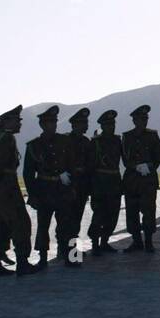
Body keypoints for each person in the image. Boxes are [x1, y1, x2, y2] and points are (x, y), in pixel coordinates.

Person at [0, 106, 37, 277]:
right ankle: (22, 263)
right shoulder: (7, 139)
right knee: (20, 222)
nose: (19, 123)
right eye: (17, 120)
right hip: (6, 187)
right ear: (7, 122)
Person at [23, 105, 79, 268]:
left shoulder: (65, 141)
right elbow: (28, 173)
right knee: (43, 226)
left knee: (68, 224)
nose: (53, 125)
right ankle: (42, 258)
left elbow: (72, 165)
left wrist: (72, 185)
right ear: (42, 125)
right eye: (49, 123)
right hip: (44, 189)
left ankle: (72, 256)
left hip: (62, 189)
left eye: (54, 122)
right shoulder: (34, 145)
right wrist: (32, 194)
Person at [121, 104, 160, 252]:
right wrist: (135, 166)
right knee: (132, 211)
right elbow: (125, 158)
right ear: (134, 121)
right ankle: (136, 240)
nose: (144, 122)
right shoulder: (127, 136)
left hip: (148, 179)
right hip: (132, 180)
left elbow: (158, 154)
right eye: (140, 119)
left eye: (145, 119)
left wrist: (150, 166)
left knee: (149, 210)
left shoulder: (153, 135)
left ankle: (149, 241)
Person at [88, 109, 124, 254]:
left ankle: (105, 241)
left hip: (114, 180)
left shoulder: (117, 140)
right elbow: (91, 164)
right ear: (102, 126)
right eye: (108, 125)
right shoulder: (96, 142)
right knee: (99, 213)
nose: (112, 127)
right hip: (100, 182)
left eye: (113, 124)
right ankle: (95, 243)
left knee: (113, 213)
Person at [64, 108, 94, 256]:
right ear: (75, 125)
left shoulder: (86, 141)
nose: (86, 125)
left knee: (76, 219)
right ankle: (68, 252)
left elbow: (90, 163)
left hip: (82, 185)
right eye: (83, 123)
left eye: (86, 122)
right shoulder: (65, 140)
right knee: (67, 219)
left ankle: (70, 251)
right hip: (69, 185)